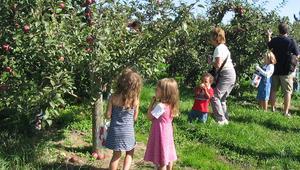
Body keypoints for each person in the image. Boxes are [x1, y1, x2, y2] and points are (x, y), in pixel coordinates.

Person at [105, 68, 143, 170]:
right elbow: (135, 118)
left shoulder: (113, 97)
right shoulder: (135, 99)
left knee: (116, 155)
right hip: (128, 132)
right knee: (130, 152)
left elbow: (108, 115)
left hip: (115, 131)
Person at [144, 78, 179, 170]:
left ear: (164, 92)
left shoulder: (160, 106)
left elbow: (149, 117)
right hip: (167, 132)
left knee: (161, 161)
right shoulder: (172, 104)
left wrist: (151, 104)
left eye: (157, 89)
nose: (155, 90)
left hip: (160, 133)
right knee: (168, 155)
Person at [267, 23, 300, 116]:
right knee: (287, 92)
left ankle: (272, 109)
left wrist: (269, 36)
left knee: (273, 90)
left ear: (279, 30)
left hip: (275, 69)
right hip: (286, 71)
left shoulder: (275, 40)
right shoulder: (291, 41)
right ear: (287, 30)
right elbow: (298, 55)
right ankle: (285, 112)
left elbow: (269, 45)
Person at [209, 27, 236, 125]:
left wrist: (210, 62)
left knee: (214, 96)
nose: (210, 39)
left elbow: (218, 65)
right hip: (231, 74)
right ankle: (225, 119)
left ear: (215, 37)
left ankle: (220, 120)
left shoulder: (218, 48)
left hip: (226, 74)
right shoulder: (224, 47)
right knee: (222, 98)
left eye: (211, 36)